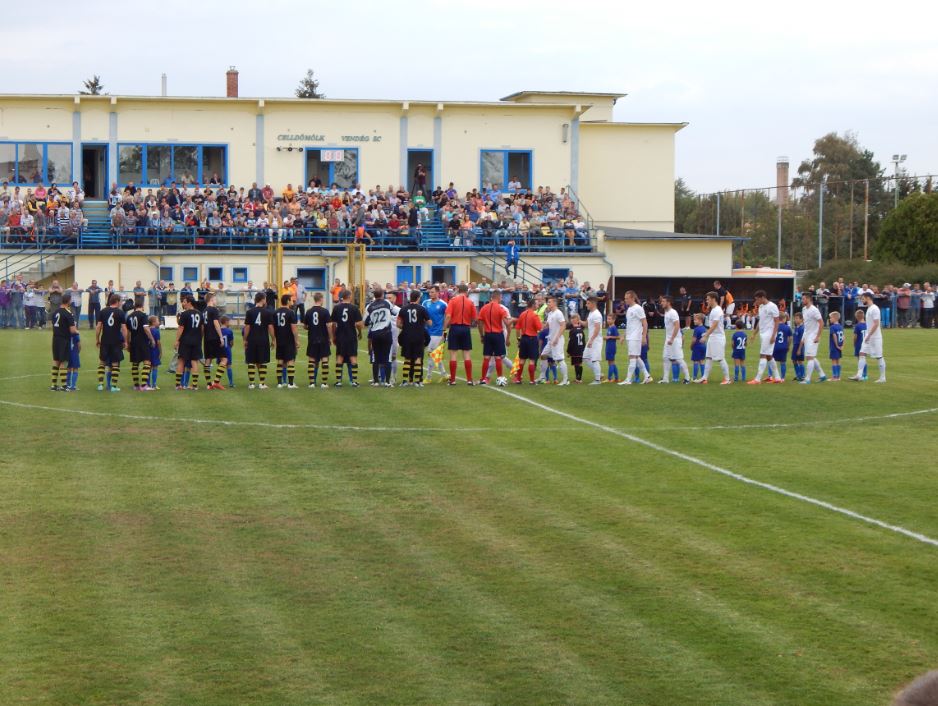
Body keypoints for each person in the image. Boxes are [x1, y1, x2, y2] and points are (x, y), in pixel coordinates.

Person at [443, 283, 478, 386]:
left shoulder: (453, 301)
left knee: (453, 353)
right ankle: (469, 379)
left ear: (458, 290)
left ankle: (453, 380)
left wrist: (444, 329)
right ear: (467, 291)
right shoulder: (470, 302)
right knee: (466, 353)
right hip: (466, 328)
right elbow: (474, 318)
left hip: (455, 327)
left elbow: (448, 316)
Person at [364, 288, 399, 386]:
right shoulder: (387, 303)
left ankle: (376, 381)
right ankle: (387, 382)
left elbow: (366, 322)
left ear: (374, 296)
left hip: (375, 333)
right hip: (386, 333)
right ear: (382, 295)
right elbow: (395, 312)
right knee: (387, 357)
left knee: (376, 358)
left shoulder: (370, 306)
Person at [477, 289, 512, 385]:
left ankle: (483, 379)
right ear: (499, 297)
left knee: (486, 357)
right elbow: (507, 323)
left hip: (488, 334)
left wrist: (481, 335)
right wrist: (515, 319)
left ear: (491, 298)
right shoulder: (501, 309)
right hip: (498, 335)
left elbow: (479, 322)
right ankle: (500, 378)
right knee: (498, 358)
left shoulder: (484, 308)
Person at [330, 289, 364, 387]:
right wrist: (360, 332)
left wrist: (334, 335)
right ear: (349, 296)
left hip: (340, 335)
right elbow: (359, 324)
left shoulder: (336, 308)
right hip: (351, 335)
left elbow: (333, 323)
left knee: (339, 357)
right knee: (353, 357)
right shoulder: (354, 308)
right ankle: (354, 381)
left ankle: (338, 381)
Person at [397, 290, 431, 386]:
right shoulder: (422, 309)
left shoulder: (403, 309)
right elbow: (430, 323)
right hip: (419, 336)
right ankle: (417, 381)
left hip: (406, 336)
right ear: (418, 298)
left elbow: (398, 324)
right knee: (418, 358)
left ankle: (404, 381)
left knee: (407, 358)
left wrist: (406, 327)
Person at [696, 291, 731, 385]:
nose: (707, 301)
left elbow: (715, 325)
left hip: (718, 337)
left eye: (708, 299)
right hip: (713, 337)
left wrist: (706, 335)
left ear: (713, 299)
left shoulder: (717, 310)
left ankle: (727, 379)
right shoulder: (714, 310)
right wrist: (707, 334)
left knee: (720, 358)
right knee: (708, 358)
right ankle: (704, 378)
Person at [850, 291, 886, 383]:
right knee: (861, 353)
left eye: (863, 299)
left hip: (875, 337)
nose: (862, 301)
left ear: (868, 298)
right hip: (868, 336)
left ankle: (882, 378)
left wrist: (869, 335)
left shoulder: (875, 309)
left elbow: (876, 323)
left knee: (879, 356)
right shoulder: (869, 309)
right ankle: (859, 375)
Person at [95, 292, 128, 392]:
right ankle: (113, 386)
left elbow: (98, 327)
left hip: (105, 340)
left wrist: (97, 339)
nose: (121, 303)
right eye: (121, 301)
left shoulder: (103, 311)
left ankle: (100, 385)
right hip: (116, 341)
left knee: (102, 362)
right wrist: (126, 341)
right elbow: (124, 329)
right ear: (117, 302)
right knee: (115, 363)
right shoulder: (120, 313)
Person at [244, 291, 275, 389]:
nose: (266, 300)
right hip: (263, 339)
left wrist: (245, 339)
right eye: (265, 298)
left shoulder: (249, 312)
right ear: (262, 299)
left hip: (252, 339)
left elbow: (247, 327)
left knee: (251, 361)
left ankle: (252, 383)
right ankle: (262, 383)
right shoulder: (268, 312)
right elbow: (270, 327)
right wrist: (273, 339)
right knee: (263, 361)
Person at [618, 290, 651, 385]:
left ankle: (628, 380)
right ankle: (647, 376)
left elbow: (645, 323)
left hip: (635, 337)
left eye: (627, 298)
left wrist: (644, 336)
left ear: (632, 298)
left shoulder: (638, 308)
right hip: (630, 336)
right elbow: (629, 324)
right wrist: (623, 335)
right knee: (636, 357)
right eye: (625, 298)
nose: (625, 300)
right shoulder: (629, 309)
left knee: (632, 357)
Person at [749, 290, 781, 384]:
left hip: (769, 334)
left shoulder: (772, 306)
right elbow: (761, 321)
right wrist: (754, 333)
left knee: (762, 355)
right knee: (769, 356)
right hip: (763, 333)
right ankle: (778, 378)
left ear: (762, 297)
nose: (756, 302)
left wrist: (773, 335)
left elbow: (776, 321)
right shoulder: (761, 307)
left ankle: (757, 379)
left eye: (757, 299)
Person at [126, 296, 156, 391]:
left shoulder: (129, 316)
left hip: (133, 342)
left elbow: (128, 332)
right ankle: (144, 385)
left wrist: (128, 342)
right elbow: (146, 329)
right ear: (142, 305)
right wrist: (152, 339)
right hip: (142, 341)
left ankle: (136, 385)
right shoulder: (143, 316)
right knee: (147, 362)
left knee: (135, 363)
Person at [797, 291, 827, 384]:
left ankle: (807, 379)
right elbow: (806, 326)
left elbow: (821, 323)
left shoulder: (814, 310)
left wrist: (818, 336)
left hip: (813, 336)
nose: (802, 300)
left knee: (810, 357)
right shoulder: (804, 309)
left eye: (803, 299)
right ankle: (822, 375)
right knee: (811, 357)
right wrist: (803, 339)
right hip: (807, 335)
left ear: (809, 299)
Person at [174, 296, 204, 390]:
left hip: (185, 341)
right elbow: (202, 328)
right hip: (196, 341)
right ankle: (194, 385)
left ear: (189, 302)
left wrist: (177, 340)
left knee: (181, 361)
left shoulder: (184, 314)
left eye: (184, 302)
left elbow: (181, 328)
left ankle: (178, 385)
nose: (183, 303)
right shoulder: (199, 313)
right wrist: (200, 337)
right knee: (194, 361)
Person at [659, 295, 690, 384]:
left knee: (679, 359)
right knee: (665, 358)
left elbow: (677, 326)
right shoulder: (666, 312)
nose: (661, 303)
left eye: (663, 301)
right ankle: (665, 378)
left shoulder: (673, 312)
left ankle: (687, 378)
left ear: (668, 302)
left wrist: (672, 338)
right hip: (668, 339)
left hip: (675, 339)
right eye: (661, 302)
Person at [50, 292, 78, 391]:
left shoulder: (56, 312)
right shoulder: (68, 313)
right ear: (69, 301)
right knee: (63, 362)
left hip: (55, 338)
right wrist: (77, 331)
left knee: (56, 361)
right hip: (64, 339)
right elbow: (72, 330)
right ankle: (64, 385)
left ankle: (53, 385)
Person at [303, 292, 331, 389]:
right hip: (323, 338)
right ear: (321, 299)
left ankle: (311, 383)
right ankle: (324, 383)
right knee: (324, 359)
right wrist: (330, 337)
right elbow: (328, 326)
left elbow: (305, 326)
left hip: (312, 338)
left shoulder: (309, 311)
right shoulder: (325, 311)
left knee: (312, 360)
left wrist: (311, 328)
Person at [274, 293, 300, 389]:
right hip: (288, 340)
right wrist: (297, 341)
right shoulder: (291, 312)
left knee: (280, 361)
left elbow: (273, 327)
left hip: (279, 339)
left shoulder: (276, 312)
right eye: (291, 300)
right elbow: (294, 328)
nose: (292, 302)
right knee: (290, 361)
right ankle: (291, 383)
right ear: (288, 301)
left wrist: (274, 338)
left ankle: (280, 383)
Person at [542, 297, 569, 385]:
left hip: (557, 340)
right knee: (543, 355)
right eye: (547, 302)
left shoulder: (558, 313)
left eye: (549, 302)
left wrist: (557, 338)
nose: (548, 304)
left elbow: (563, 326)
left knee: (560, 359)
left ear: (554, 303)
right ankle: (543, 376)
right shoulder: (550, 313)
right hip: (550, 340)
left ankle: (565, 380)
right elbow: (547, 325)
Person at [202, 292, 226, 390]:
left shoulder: (204, 311)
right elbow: (216, 323)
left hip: (207, 338)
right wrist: (221, 337)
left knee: (208, 360)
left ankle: (208, 384)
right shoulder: (214, 310)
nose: (216, 301)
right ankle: (216, 382)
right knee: (224, 359)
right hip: (214, 337)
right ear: (211, 300)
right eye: (215, 299)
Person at [514, 299, 542, 384]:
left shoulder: (522, 314)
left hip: (523, 339)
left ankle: (518, 379)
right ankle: (532, 380)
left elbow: (517, 328)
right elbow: (539, 328)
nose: (538, 305)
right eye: (537, 304)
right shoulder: (535, 315)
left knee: (522, 360)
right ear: (533, 305)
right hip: (532, 339)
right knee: (532, 360)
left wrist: (519, 339)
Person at [424, 285, 448, 380]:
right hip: (427, 331)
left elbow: (447, 317)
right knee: (435, 353)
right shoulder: (425, 303)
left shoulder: (443, 304)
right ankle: (444, 374)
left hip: (437, 332)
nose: (431, 294)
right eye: (430, 292)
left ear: (438, 293)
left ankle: (428, 377)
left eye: (433, 292)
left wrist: (444, 332)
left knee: (431, 353)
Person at [583, 297, 604, 385]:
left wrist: (591, 340)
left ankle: (597, 380)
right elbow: (586, 324)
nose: (586, 305)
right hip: (591, 339)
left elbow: (597, 328)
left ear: (592, 304)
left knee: (595, 359)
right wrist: (578, 320)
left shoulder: (597, 314)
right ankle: (599, 374)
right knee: (585, 358)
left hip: (595, 340)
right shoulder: (591, 313)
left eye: (587, 303)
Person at [566, 313, 586, 383]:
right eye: (572, 318)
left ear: (576, 320)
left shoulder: (572, 331)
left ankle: (578, 379)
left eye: (573, 319)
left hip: (575, 350)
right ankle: (578, 378)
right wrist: (583, 349)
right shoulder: (581, 330)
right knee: (579, 363)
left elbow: (571, 342)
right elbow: (583, 341)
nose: (572, 320)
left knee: (576, 364)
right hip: (580, 349)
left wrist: (568, 351)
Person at [772, 312, 793, 381]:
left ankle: (771, 376)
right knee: (783, 362)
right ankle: (782, 378)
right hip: (784, 347)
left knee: (772, 361)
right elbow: (790, 338)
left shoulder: (775, 326)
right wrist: (788, 346)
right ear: (784, 319)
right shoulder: (787, 328)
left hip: (775, 346)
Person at [604, 313, 621, 383]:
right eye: (607, 319)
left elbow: (618, 336)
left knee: (611, 362)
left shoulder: (614, 327)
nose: (608, 320)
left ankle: (609, 378)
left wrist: (609, 337)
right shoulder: (609, 327)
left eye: (609, 319)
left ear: (614, 320)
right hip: (608, 346)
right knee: (612, 362)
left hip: (611, 347)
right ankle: (616, 378)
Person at [851, 310, 867, 381]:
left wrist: (854, 344)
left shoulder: (857, 326)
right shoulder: (867, 324)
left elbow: (855, 337)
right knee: (863, 359)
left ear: (856, 317)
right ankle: (864, 375)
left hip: (859, 344)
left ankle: (861, 375)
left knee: (860, 360)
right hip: (866, 344)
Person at [828, 311, 844, 381]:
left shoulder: (832, 327)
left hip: (834, 346)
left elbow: (834, 336)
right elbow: (844, 337)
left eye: (831, 318)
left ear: (835, 318)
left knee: (834, 361)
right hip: (840, 346)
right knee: (838, 361)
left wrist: (837, 345)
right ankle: (838, 376)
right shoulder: (840, 326)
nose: (830, 319)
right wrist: (842, 345)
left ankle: (834, 377)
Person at [690, 313, 707, 381]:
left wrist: (691, 346)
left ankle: (694, 377)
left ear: (700, 320)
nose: (694, 321)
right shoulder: (704, 328)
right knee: (702, 361)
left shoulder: (696, 329)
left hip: (697, 347)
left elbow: (694, 340)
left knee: (696, 361)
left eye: (695, 320)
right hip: (703, 346)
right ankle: (703, 377)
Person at [147, 315, 162, 389]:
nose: (159, 322)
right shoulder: (156, 331)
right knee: (155, 367)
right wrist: (160, 351)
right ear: (153, 322)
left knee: (148, 367)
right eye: (158, 321)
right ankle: (154, 384)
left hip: (147, 351)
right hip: (154, 351)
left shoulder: (147, 330)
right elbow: (158, 342)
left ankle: (147, 384)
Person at [791, 312, 805, 381]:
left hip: (800, 346)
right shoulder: (796, 327)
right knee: (794, 360)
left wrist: (799, 349)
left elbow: (802, 340)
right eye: (794, 318)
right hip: (795, 346)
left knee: (800, 361)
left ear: (801, 319)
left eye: (797, 318)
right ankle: (798, 375)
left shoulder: (802, 328)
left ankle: (802, 375)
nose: (795, 320)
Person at [66, 327, 82, 391]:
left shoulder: (66, 333)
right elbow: (79, 345)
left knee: (68, 368)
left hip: (68, 353)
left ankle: (68, 385)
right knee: (75, 369)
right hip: (75, 353)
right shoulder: (76, 335)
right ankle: (73, 386)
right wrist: (78, 352)